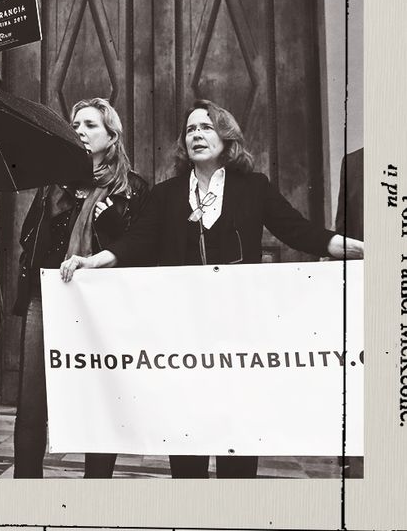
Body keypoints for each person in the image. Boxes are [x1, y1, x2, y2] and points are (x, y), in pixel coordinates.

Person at [62, 98, 365, 479]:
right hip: (183, 340)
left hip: (238, 338)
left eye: (205, 127)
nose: (197, 135)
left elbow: (298, 230)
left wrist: (352, 248)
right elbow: (136, 242)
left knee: (237, 444)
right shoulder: (166, 193)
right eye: (190, 130)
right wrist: (93, 261)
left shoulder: (253, 187)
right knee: (187, 447)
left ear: (226, 136)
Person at [0, 40, 148, 478]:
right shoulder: (56, 178)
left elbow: (140, 247)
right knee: (33, 402)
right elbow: (17, 131)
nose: (81, 130)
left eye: (90, 124)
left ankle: (94, 492)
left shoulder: (134, 190)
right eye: (76, 124)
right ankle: (28, 488)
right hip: (46, 298)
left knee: (96, 400)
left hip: (100, 305)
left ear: (112, 135)